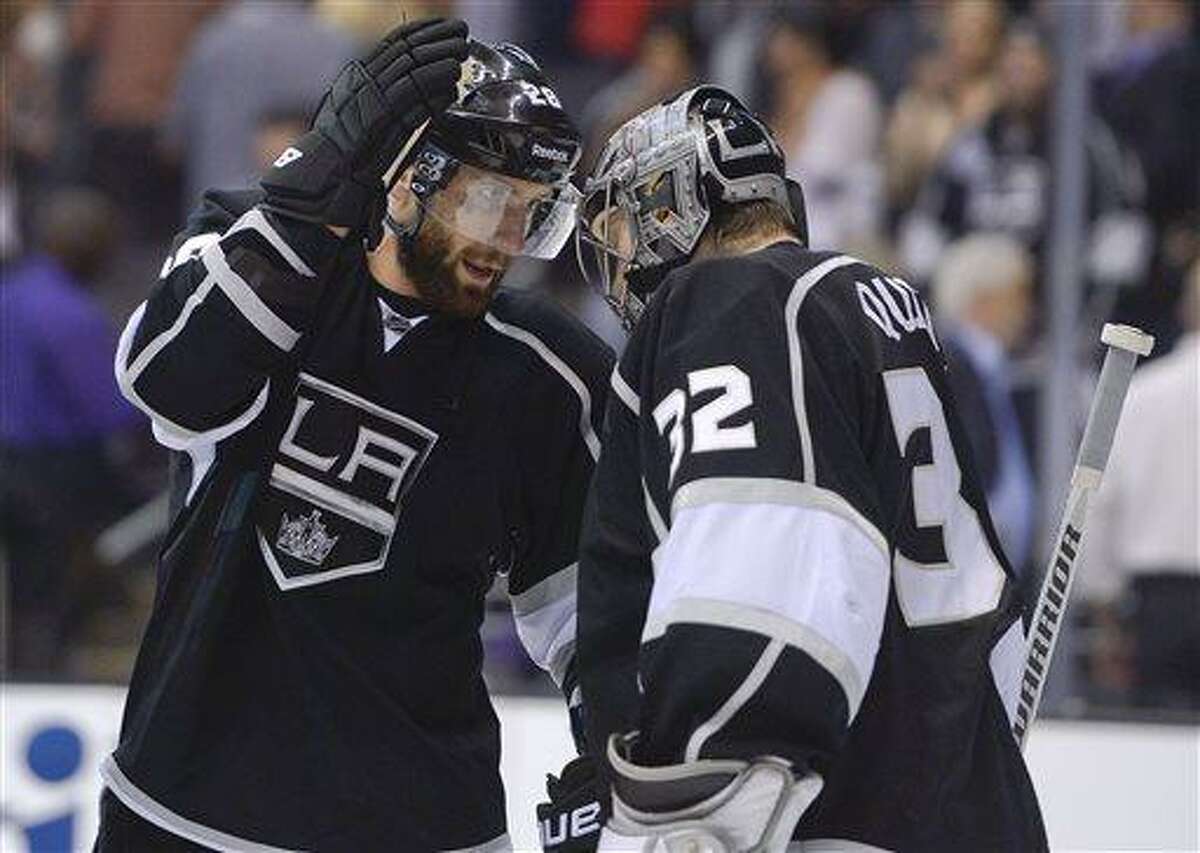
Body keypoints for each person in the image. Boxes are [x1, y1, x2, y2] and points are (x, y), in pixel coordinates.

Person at [99, 20, 613, 850]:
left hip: (427, 822)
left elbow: (590, 610)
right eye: (490, 200)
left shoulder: (552, 372)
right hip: (187, 806)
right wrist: (310, 198)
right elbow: (167, 386)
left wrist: (614, 757)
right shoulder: (255, 249)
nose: (509, 242)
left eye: (531, 210)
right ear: (406, 179)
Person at [546, 86, 1046, 851]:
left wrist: (686, 811)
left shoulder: (728, 302)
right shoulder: (877, 302)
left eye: (620, 227)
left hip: (833, 815)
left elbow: (765, 567)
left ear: (670, 205)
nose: (616, 266)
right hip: (970, 801)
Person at [1, 187, 141, 673]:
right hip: (46, 477)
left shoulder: (11, 292)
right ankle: (39, 680)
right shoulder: (70, 315)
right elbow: (108, 409)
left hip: (15, 464)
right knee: (46, 594)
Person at [1081, 259, 1199, 710]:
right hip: (1158, 594)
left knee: (1159, 752)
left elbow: (1098, 499)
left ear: (1186, 311)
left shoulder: (1141, 394)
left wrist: (1105, 611)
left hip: (1159, 606)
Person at [932, 233, 1037, 577]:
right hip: (967, 561)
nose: (1026, 312)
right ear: (983, 299)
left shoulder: (996, 368)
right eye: (1018, 297)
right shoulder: (945, 363)